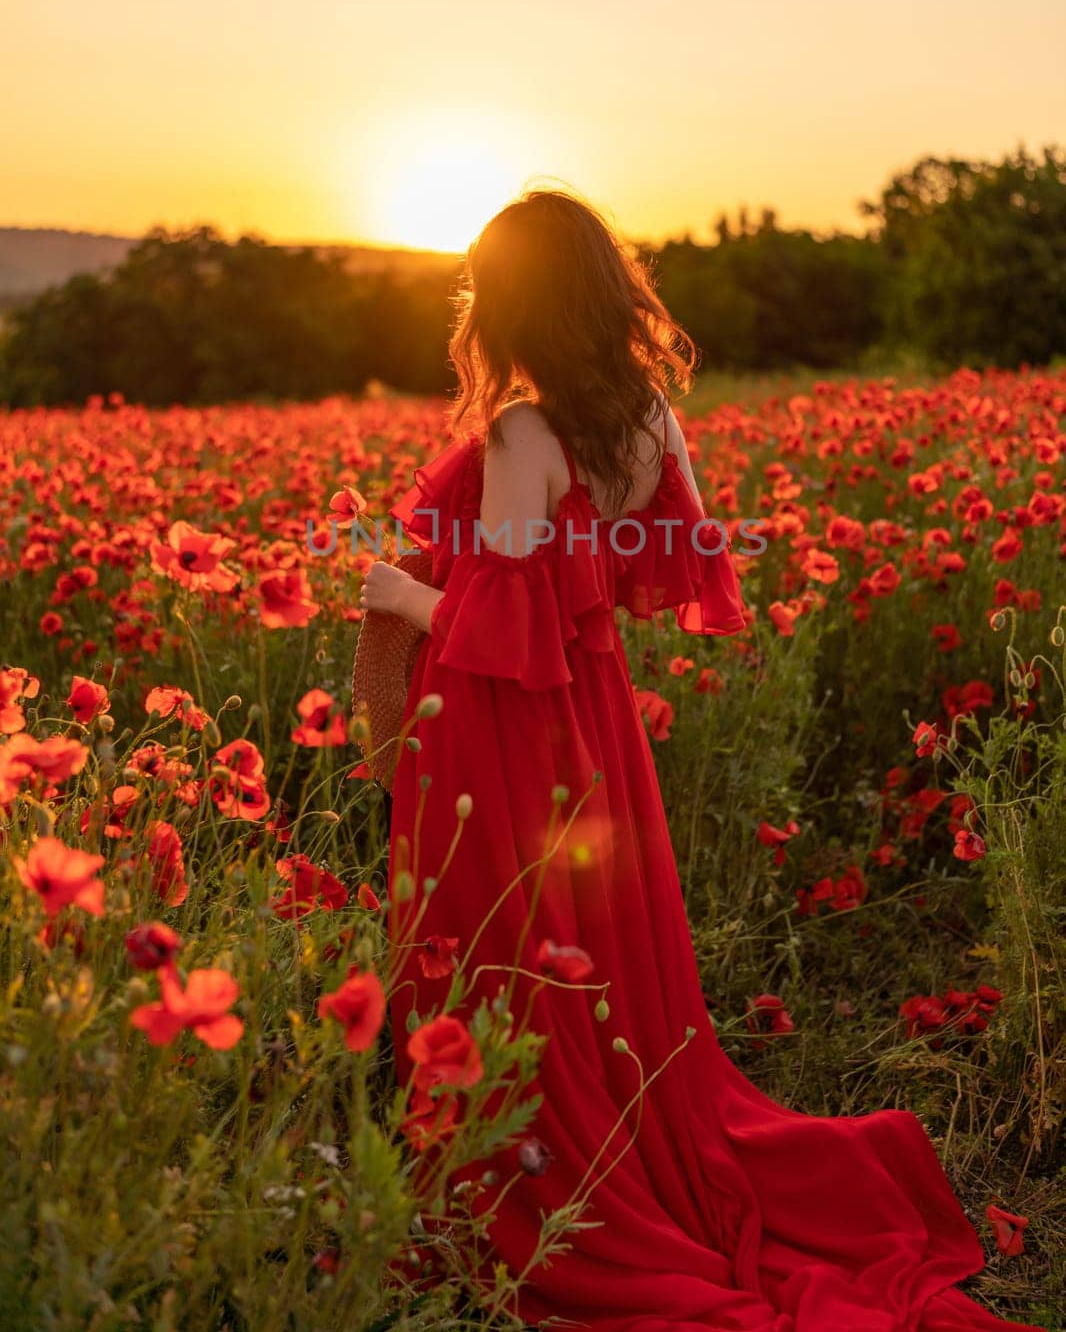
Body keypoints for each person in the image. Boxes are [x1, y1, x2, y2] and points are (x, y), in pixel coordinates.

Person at [360, 189, 1041, 1332]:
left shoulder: (527, 431)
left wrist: (397, 591)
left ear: (513, 296)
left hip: (510, 730)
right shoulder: (646, 421)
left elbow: (507, 620)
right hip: (597, 727)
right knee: (592, 959)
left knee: (508, 953)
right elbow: (640, 573)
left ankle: (519, 1184)